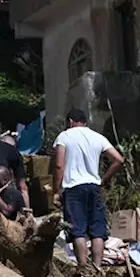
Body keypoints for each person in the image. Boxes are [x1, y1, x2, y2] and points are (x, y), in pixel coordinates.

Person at [53, 109, 125, 267]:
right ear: (85, 122)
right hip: (93, 186)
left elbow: (59, 165)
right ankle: (97, 268)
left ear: (70, 121)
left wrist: (56, 191)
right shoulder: (97, 137)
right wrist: (103, 180)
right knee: (97, 229)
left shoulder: (64, 136)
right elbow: (118, 159)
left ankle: (83, 267)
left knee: (77, 229)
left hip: (73, 188)